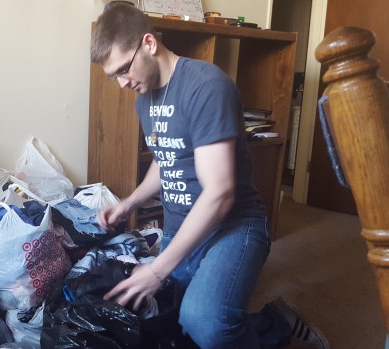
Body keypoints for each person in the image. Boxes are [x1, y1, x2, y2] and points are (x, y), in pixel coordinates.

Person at [90, 3, 330, 349]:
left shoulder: (206, 86)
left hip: (236, 227)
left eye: (123, 69)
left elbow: (220, 194)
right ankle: (268, 318)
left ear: (149, 43)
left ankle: (277, 327)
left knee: (202, 320)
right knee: (165, 319)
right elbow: (166, 159)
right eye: (114, 76)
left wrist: (158, 270)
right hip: (183, 229)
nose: (122, 82)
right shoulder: (145, 100)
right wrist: (129, 203)